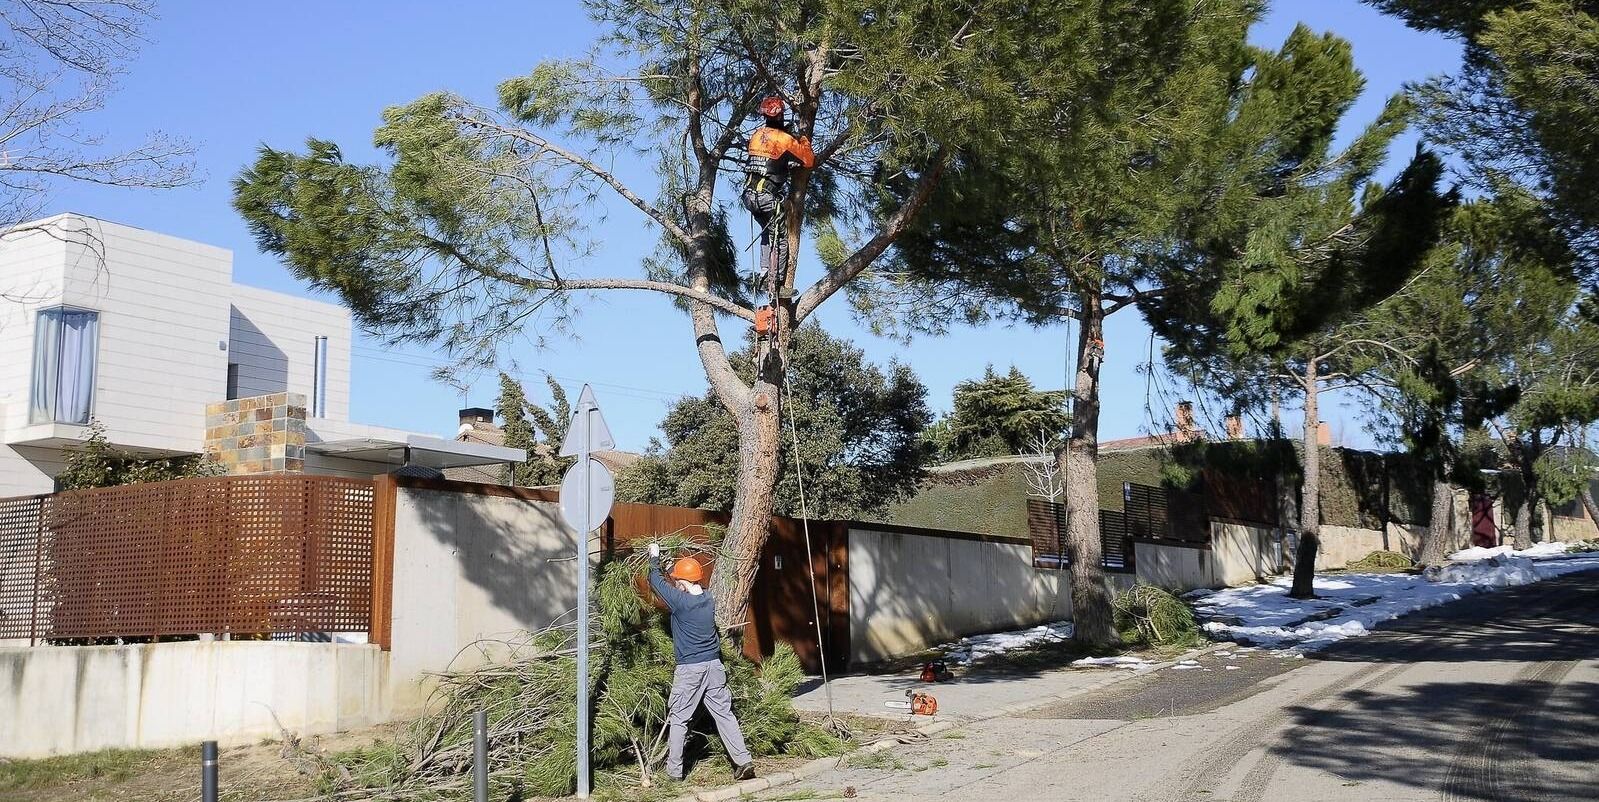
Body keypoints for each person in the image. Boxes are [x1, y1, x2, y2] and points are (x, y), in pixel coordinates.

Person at [646, 541, 756, 782]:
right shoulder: (707, 599)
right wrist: (672, 570)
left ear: (682, 583)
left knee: (679, 718)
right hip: (714, 667)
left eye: (678, 581)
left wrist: (654, 558)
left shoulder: (681, 604)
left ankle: (674, 774)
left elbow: (655, 582)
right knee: (724, 714)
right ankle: (743, 761)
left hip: (690, 670)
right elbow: (679, 586)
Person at [741, 95, 816, 292]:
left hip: (749, 196)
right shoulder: (784, 139)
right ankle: (776, 283)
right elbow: (808, 161)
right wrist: (804, 140)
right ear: (781, 115)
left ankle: (765, 272)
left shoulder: (756, 135)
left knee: (768, 232)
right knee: (781, 238)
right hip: (766, 197)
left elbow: (770, 158)